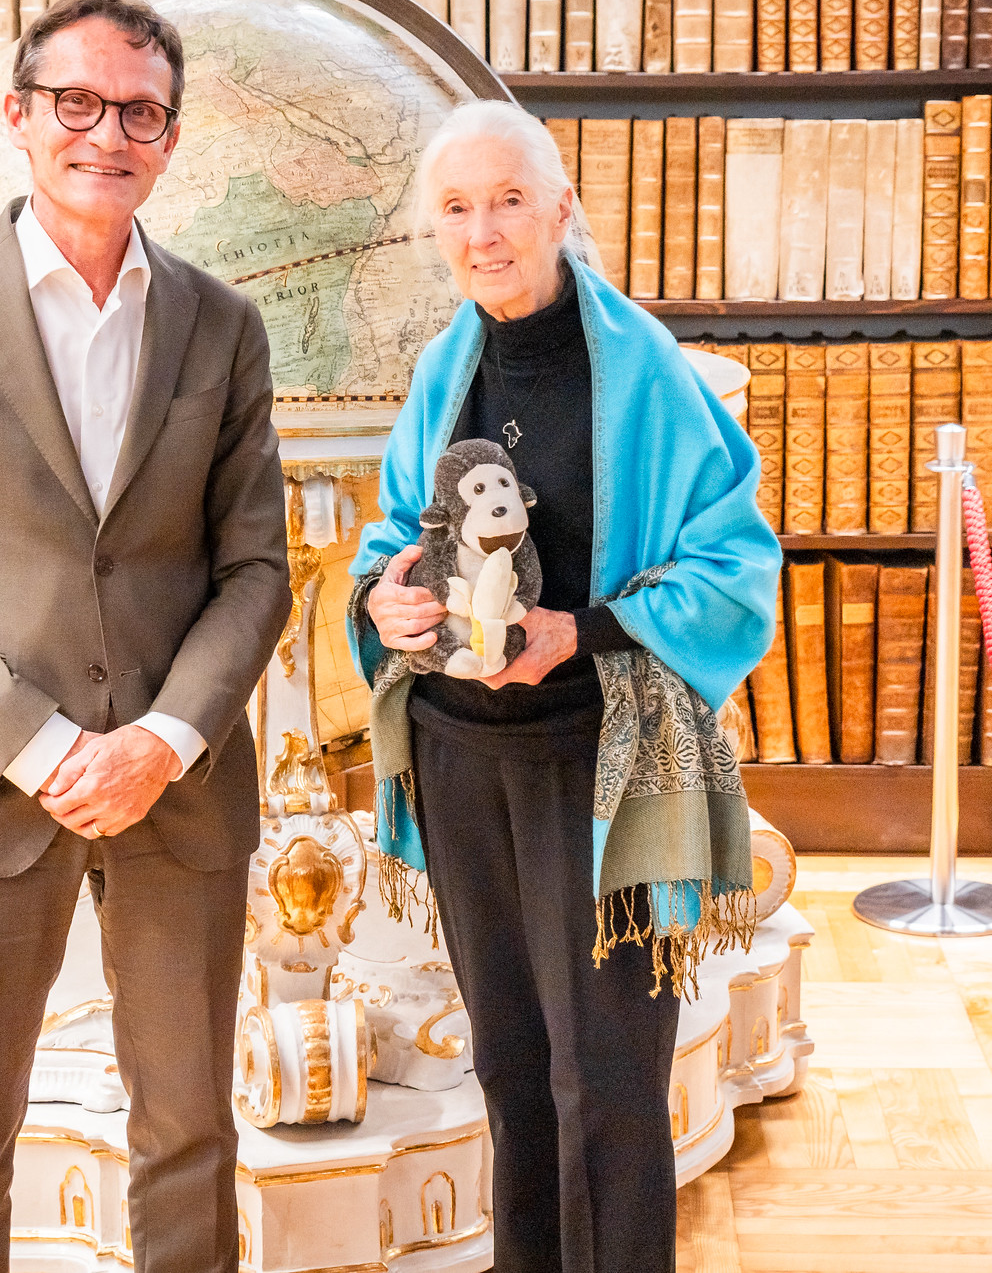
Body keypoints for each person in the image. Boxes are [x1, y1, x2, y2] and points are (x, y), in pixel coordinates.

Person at [0, 0, 291, 1273]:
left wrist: (157, 740)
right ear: (19, 117)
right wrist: (43, 749)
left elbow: (254, 570)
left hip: (177, 792)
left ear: (170, 138)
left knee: (191, 1132)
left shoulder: (223, 323)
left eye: (139, 112)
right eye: (79, 104)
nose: (109, 134)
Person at [348, 100, 781, 1273]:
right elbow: (390, 534)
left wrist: (576, 631)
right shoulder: (445, 366)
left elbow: (736, 571)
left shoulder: (644, 369)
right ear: (432, 230)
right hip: (457, 755)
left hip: (600, 761)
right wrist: (381, 602)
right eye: (454, 207)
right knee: (508, 1065)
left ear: (560, 210)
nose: (482, 231)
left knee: (608, 1077)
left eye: (506, 201)